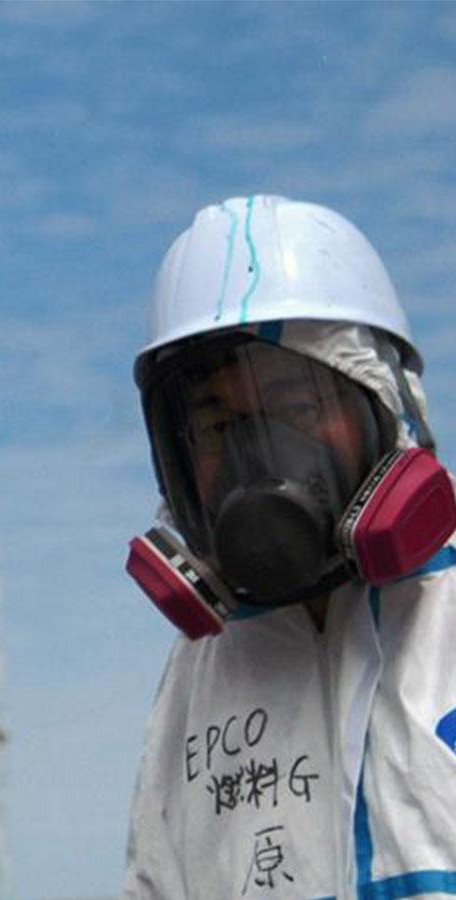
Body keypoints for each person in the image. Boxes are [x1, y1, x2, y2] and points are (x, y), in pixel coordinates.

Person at [122, 195, 456, 897]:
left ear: (388, 405)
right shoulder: (202, 675)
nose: (257, 457)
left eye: (296, 406)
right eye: (217, 426)